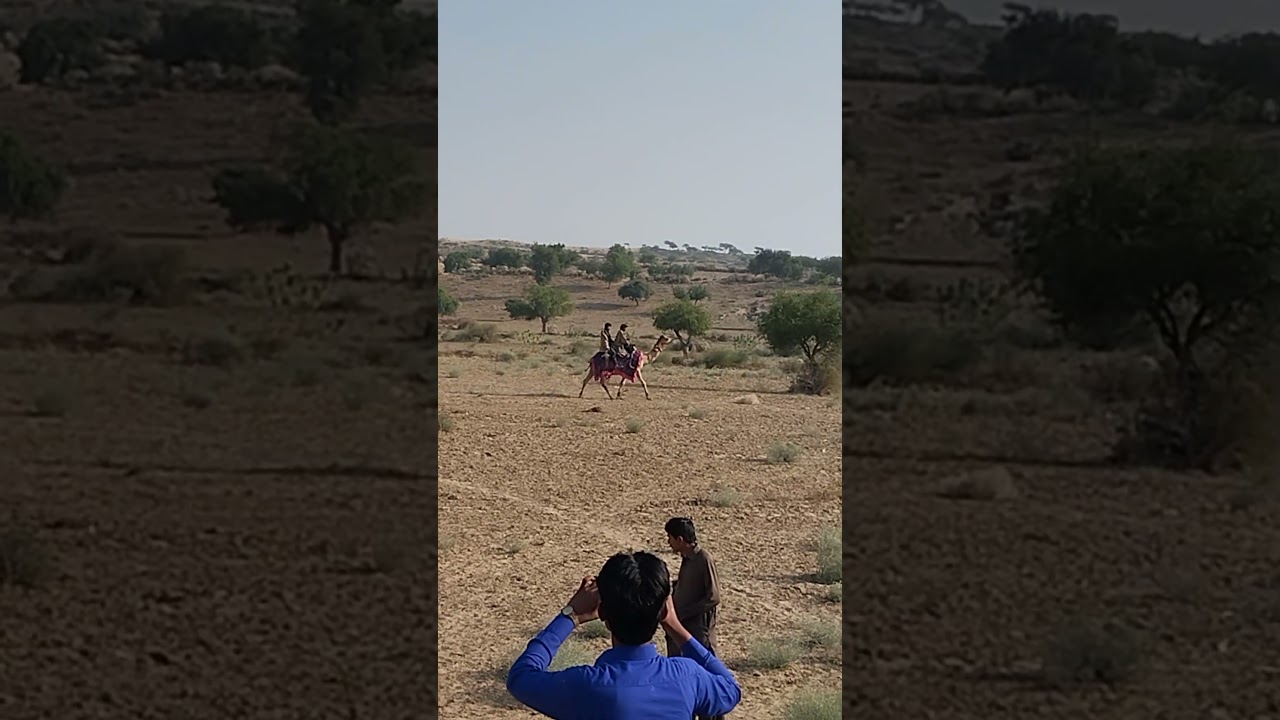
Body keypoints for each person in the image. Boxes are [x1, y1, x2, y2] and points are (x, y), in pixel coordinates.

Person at [506, 551, 741, 719]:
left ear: (603, 613)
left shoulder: (586, 686)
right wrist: (675, 627)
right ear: (662, 610)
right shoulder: (687, 676)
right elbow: (731, 689)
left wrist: (570, 615)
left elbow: (520, 677)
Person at [664, 517, 724, 719]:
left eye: (670, 538)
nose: (668, 542)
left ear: (680, 539)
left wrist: (683, 614)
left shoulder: (703, 559)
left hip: (699, 634)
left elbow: (713, 597)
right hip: (684, 633)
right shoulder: (687, 560)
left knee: (707, 686)